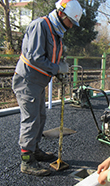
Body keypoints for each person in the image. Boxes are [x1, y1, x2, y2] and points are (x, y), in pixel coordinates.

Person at [12, 0, 83, 176]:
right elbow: (35, 58)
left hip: (38, 81)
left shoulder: (56, 31)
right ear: (61, 14)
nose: (71, 26)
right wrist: (57, 68)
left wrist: (56, 70)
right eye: (71, 22)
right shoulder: (40, 26)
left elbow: (48, 57)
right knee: (31, 119)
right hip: (28, 80)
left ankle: (34, 149)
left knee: (40, 117)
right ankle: (27, 161)